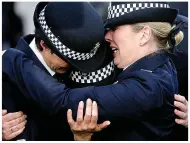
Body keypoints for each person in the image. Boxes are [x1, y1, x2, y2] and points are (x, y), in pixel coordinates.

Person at [2, 2, 185, 140]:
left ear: (144, 35)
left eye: (114, 28)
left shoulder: (147, 87)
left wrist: (11, 58)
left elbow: (64, 101)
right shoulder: (161, 64)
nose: (106, 36)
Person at [2, 2, 116, 140]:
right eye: (69, 59)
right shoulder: (5, 79)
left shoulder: (74, 71)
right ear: (44, 44)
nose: (77, 67)